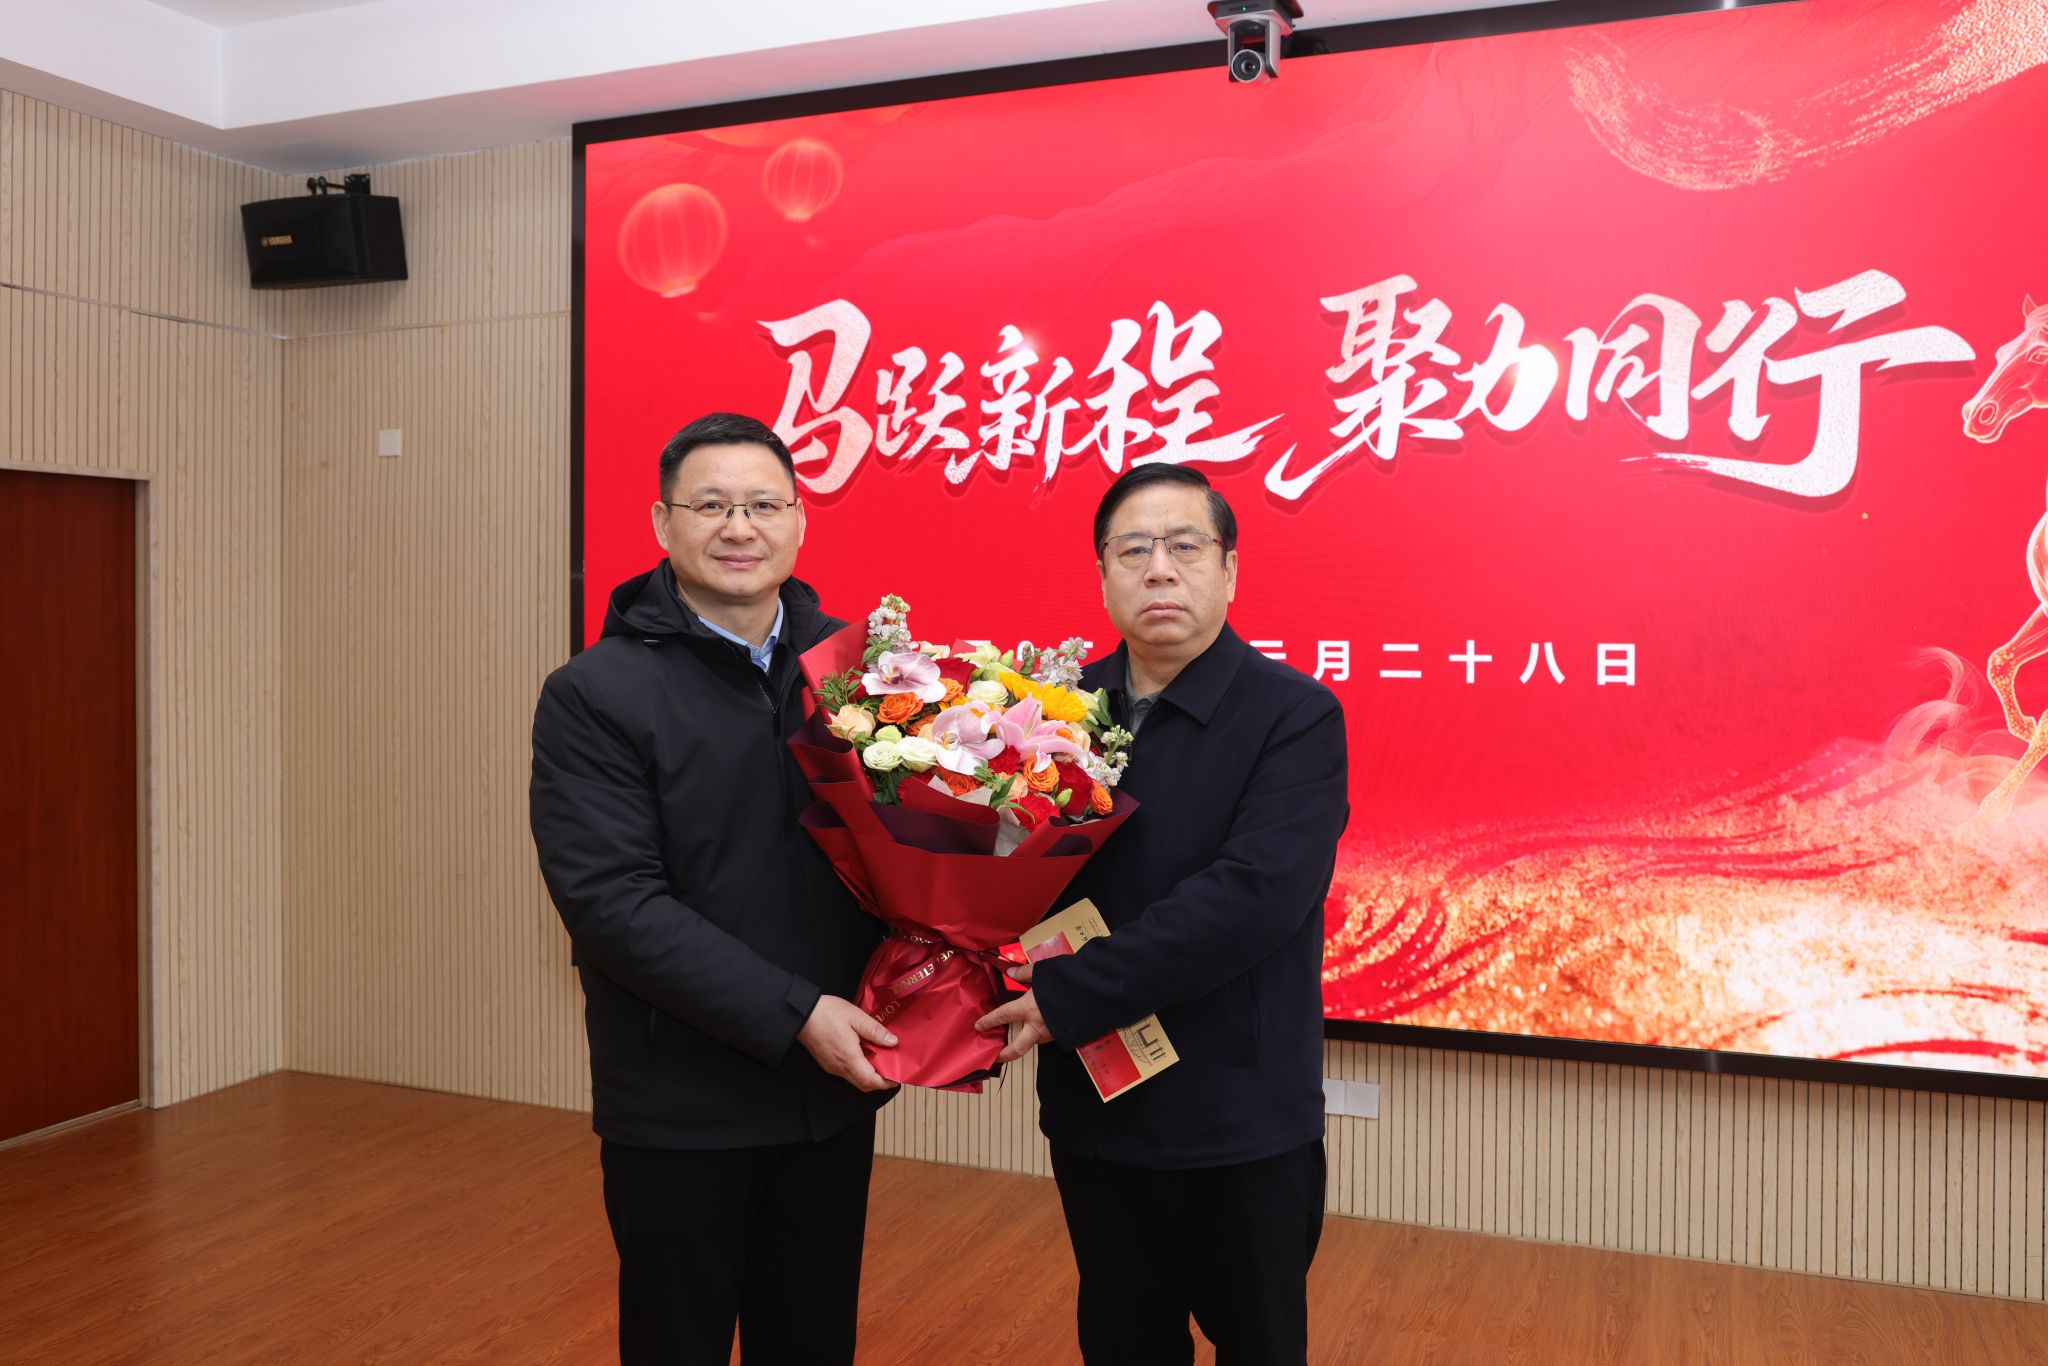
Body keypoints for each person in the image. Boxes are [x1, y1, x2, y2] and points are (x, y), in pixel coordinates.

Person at [530, 412, 895, 1366]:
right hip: (680, 1104)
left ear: (799, 520)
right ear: (663, 523)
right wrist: (795, 1011)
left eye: (764, 505)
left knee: (813, 1341)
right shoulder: (595, 692)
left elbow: (905, 853)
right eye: (711, 506)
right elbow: (613, 906)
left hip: (825, 1096)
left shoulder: (857, 671)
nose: (740, 528)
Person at [977, 462, 1350, 1366]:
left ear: (1230, 569)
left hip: (1237, 1108)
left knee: (1259, 1342)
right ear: (1103, 572)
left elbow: (1252, 899)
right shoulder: (1051, 715)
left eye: (1185, 546)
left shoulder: (1294, 715)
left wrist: (1068, 996)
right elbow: (1003, 878)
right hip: (1096, 1098)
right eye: (1133, 550)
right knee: (1122, 1336)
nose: (1159, 570)